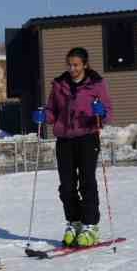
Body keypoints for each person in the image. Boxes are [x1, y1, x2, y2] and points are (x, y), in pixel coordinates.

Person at [32, 45, 112, 247]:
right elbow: (52, 110)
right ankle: (74, 222)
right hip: (65, 139)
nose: (72, 69)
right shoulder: (59, 84)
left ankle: (90, 225)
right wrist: (44, 116)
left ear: (85, 64)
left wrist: (101, 113)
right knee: (66, 185)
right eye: (69, 65)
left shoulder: (96, 84)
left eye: (76, 65)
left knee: (86, 182)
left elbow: (108, 110)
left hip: (87, 136)